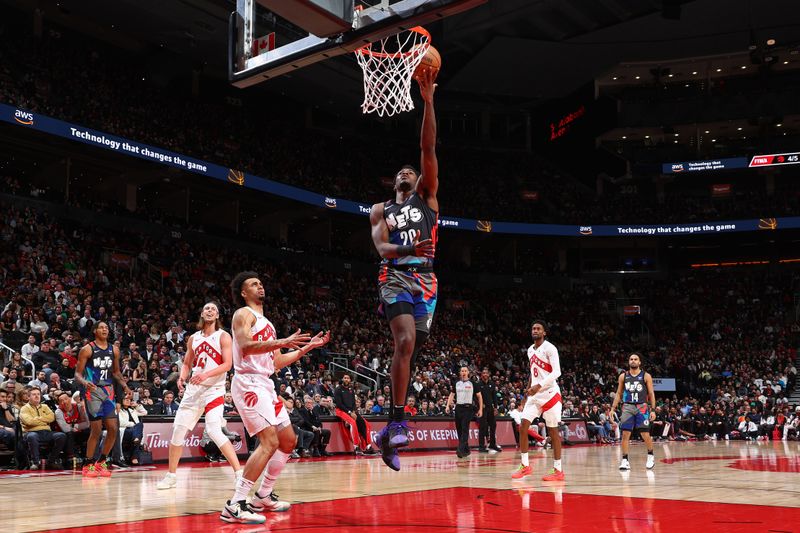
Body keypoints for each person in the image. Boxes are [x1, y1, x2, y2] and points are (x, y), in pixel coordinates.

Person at [369, 68, 439, 472]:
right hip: (394, 273)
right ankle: (397, 419)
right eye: (402, 173)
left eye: (411, 171)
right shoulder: (382, 209)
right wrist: (410, 245)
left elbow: (428, 149)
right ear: (394, 182)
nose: (407, 172)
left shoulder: (428, 199)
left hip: (426, 279)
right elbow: (381, 247)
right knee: (406, 341)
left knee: (411, 347)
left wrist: (428, 100)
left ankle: (386, 436)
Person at [220, 271, 329, 524]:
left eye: (260, 283)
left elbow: (276, 360)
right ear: (243, 293)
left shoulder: (266, 322)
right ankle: (235, 504)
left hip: (266, 384)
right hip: (248, 382)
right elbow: (246, 345)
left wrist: (307, 347)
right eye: (253, 284)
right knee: (269, 442)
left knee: (288, 440)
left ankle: (263, 495)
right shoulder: (242, 314)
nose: (260, 287)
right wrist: (283, 340)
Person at [158, 302, 242, 489]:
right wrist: (181, 377)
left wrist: (205, 374)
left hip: (214, 389)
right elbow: (187, 363)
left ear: (218, 315)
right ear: (202, 314)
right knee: (178, 430)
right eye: (206, 308)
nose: (209, 311)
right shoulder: (193, 338)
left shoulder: (223, 336)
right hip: (194, 390)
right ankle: (171, 476)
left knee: (213, 430)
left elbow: (227, 365)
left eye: (213, 309)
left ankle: (239, 473)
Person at [75, 321, 132, 477]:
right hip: (92, 392)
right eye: (101, 327)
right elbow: (77, 374)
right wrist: (85, 382)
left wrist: (125, 386)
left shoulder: (114, 349)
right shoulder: (87, 349)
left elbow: (116, 372)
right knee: (97, 430)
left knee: (113, 429)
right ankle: (88, 464)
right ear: (95, 331)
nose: (104, 329)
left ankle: (101, 462)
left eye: (106, 327)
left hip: (109, 391)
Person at [512, 320, 564, 481]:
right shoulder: (529, 350)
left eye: (538, 329)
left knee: (553, 431)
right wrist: (525, 396)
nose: (535, 330)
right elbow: (532, 374)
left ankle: (558, 470)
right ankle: (525, 465)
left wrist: (539, 386)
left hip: (550, 394)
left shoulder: (550, 348)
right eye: (533, 328)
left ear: (544, 332)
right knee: (523, 427)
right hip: (535, 395)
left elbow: (557, 372)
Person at [610, 353, 656, 470]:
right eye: (631, 359)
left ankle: (650, 455)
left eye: (636, 359)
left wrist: (653, 410)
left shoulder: (646, 376)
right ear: (628, 362)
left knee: (645, 434)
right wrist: (612, 409)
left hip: (642, 407)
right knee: (625, 434)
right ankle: (625, 460)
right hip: (627, 406)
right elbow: (619, 393)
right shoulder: (623, 376)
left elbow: (651, 394)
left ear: (639, 362)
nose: (633, 361)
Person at [20, 388, 66, 469]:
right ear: (28, 397)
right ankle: (35, 463)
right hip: (31, 432)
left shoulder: (45, 406)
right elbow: (29, 422)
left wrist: (37, 419)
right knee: (32, 436)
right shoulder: (24, 408)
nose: (37, 396)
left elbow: (52, 418)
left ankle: (51, 461)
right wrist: (44, 419)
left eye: (38, 394)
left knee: (61, 435)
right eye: (34, 394)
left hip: (46, 432)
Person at [333, 374, 376, 455]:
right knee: (353, 423)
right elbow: (339, 404)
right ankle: (356, 447)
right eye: (345, 378)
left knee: (365, 424)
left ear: (350, 380)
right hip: (341, 411)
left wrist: (353, 411)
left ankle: (368, 446)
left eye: (348, 378)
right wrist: (349, 413)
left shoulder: (351, 390)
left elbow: (353, 403)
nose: (346, 379)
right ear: (342, 379)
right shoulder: (338, 389)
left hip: (351, 411)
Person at [446, 367, 482, 458]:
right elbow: (452, 395)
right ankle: (466, 450)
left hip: (468, 408)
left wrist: (480, 409)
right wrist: (447, 405)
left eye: (465, 371)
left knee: (465, 428)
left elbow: (479, 397)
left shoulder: (473, 383)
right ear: (460, 373)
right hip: (458, 408)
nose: (464, 372)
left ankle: (460, 449)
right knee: (459, 429)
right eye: (462, 371)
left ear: (468, 372)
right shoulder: (457, 383)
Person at [54, 391, 90, 467]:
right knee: (69, 433)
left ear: (70, 399)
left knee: (89, 431)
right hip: (66, 435)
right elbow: (65, 429)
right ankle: (71, 457)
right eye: (61, 401)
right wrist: (78, 426)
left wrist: (74, 426)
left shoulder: (79, 407)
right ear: (59, 404)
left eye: (66, 399)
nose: (64, 402)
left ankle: (89, 456)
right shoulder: (58, 412)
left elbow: (87, 423)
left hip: (78, 432)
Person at [476, 368, 500, 453]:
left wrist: (496, 407)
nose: (485, 374)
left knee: (493, 426)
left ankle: (493, 444)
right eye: (483, 373)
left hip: (490, 408)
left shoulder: (492, 384)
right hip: (482, 408)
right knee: (482, 427)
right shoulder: (478, 384)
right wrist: (479, 405)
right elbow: (475, 397)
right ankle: (481, 446)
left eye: (486, 373)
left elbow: (494, 397)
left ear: (488, 375)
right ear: (481, 375)